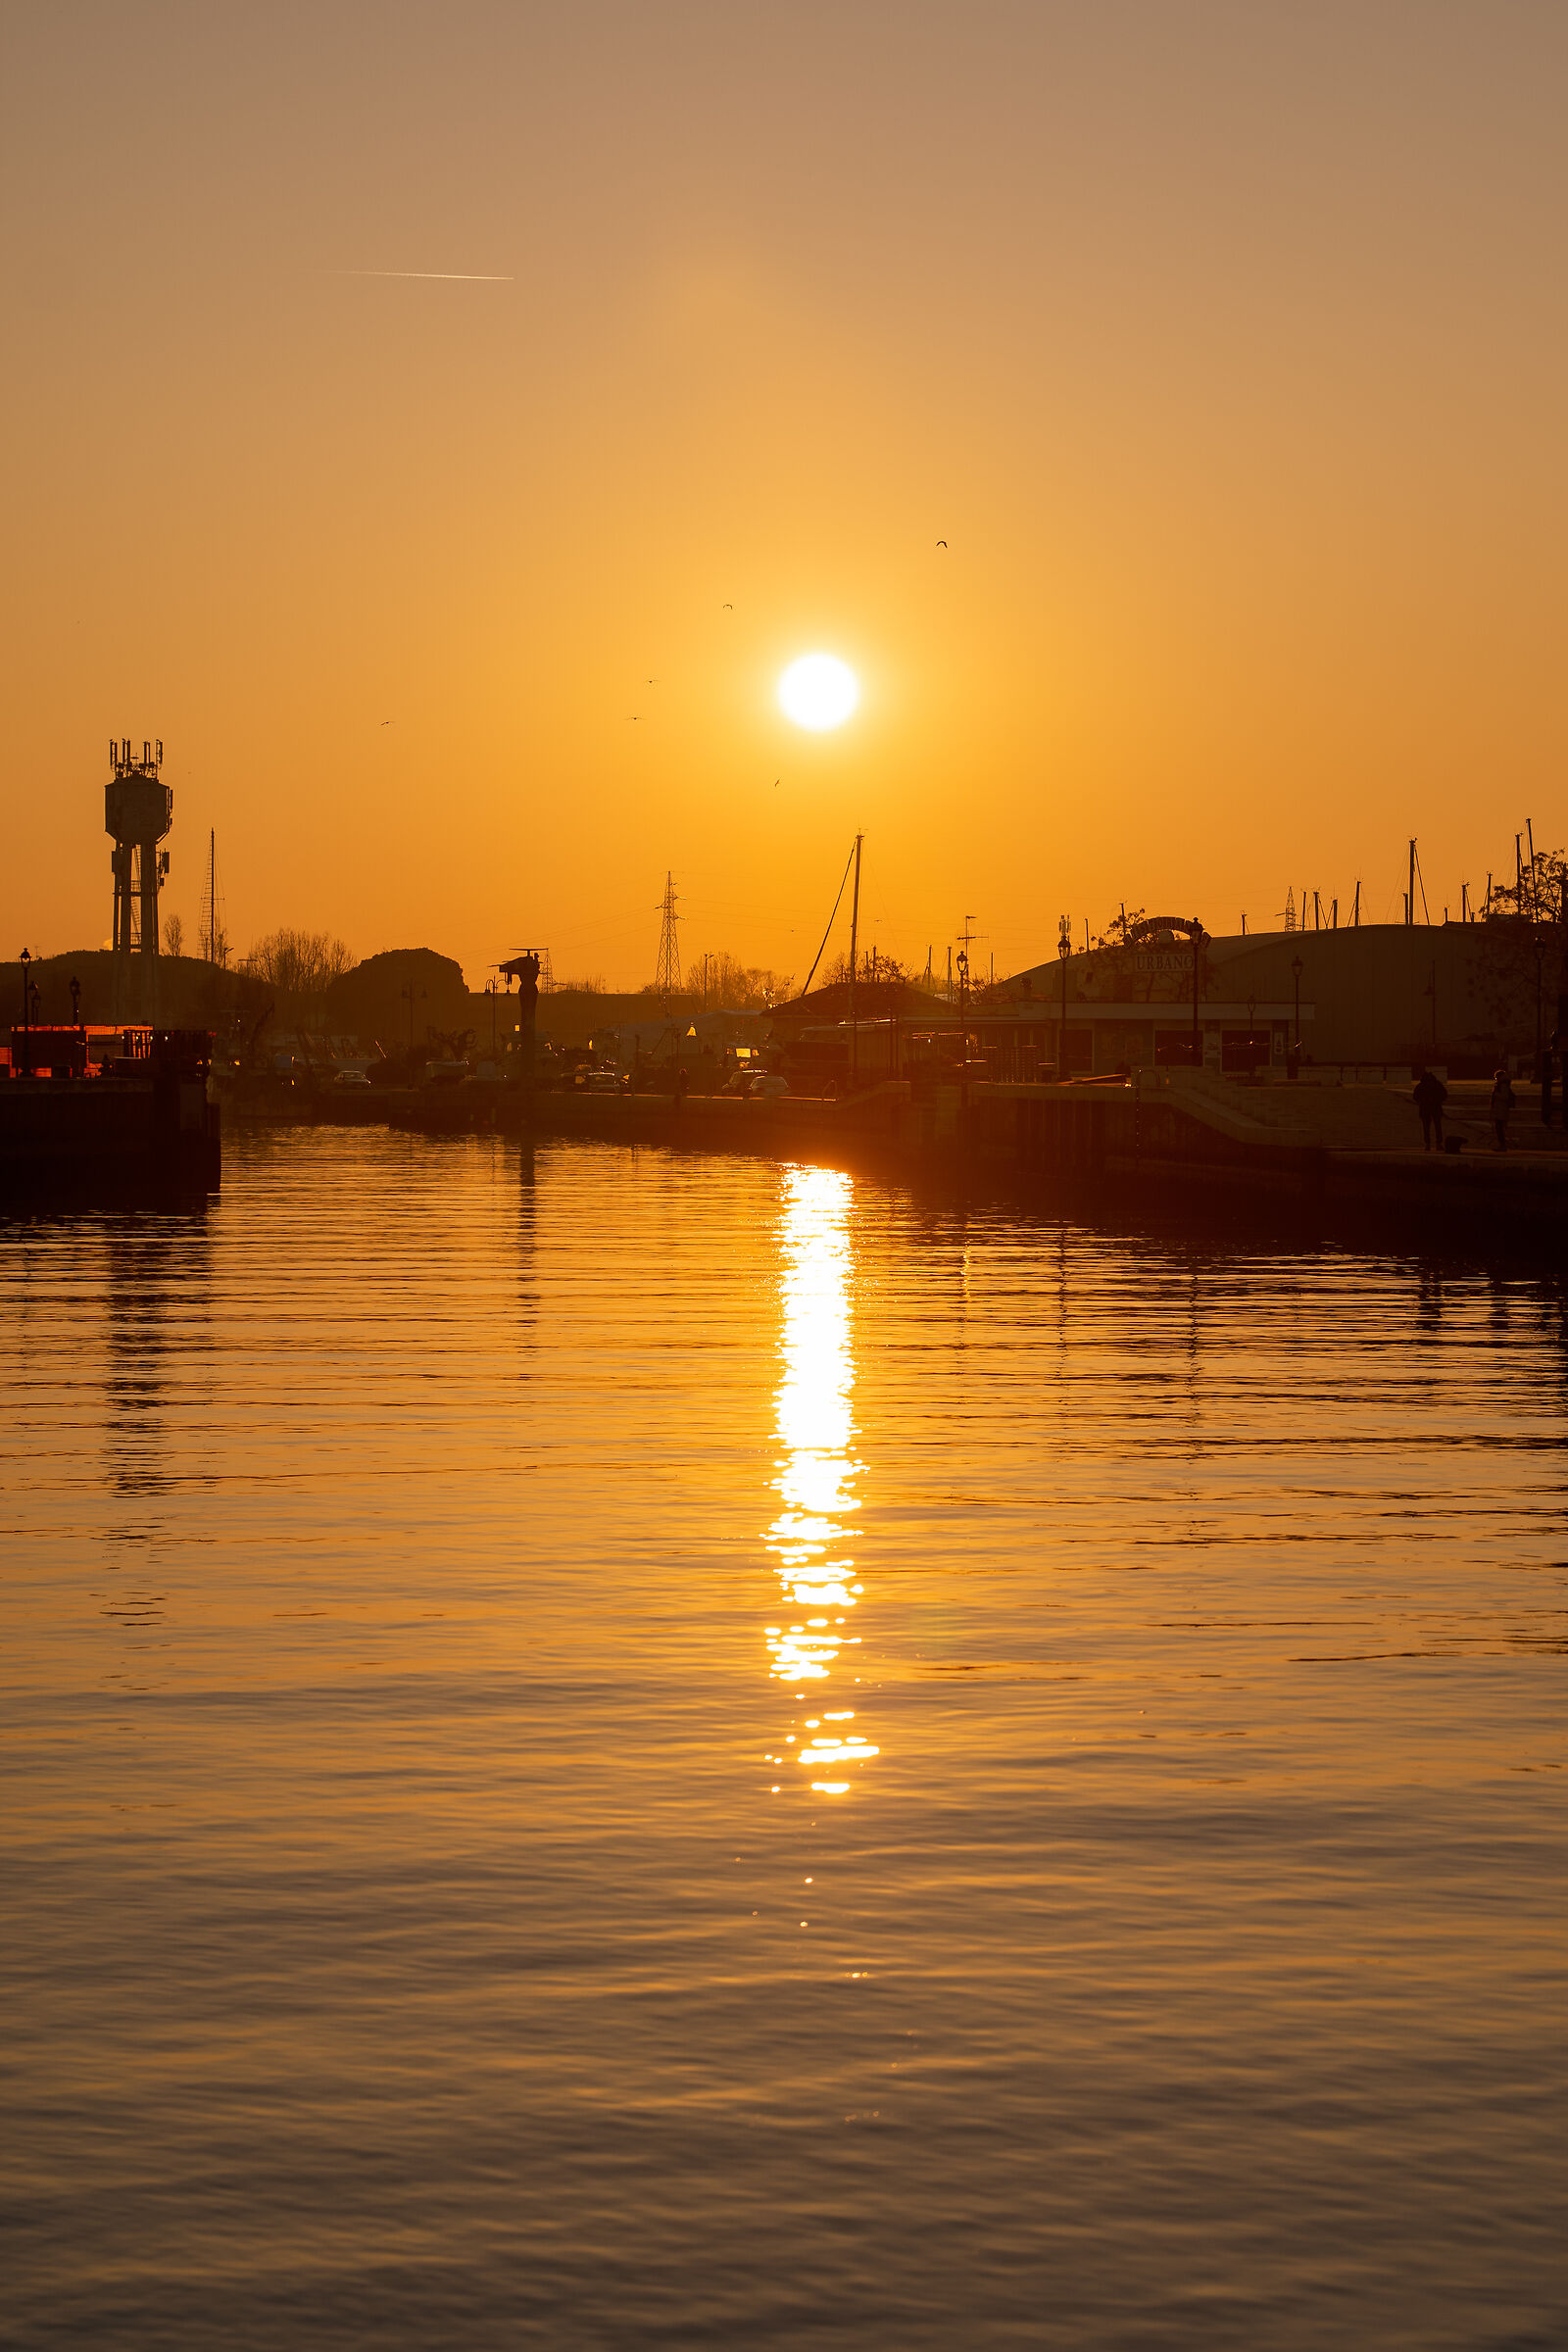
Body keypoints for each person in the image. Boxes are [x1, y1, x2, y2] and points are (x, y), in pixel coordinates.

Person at [1411, 1065, 1447, 1152]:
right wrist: (1436, 1100)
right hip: (1436, 1107)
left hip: (1425, 1108)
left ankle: (1427, 1144)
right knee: (1437, 1126)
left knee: (1426, 1127)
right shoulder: (1437, 1084)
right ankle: (1438, 1143)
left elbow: (1415, 1096)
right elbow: (1444, 1095)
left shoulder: (1421, 1085)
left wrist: (1423, 1101)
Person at [1491, 1066, 1516, 1152]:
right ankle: (1502, 1145)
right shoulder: (1503, 1084)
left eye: (1496, 1077)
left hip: (1501, 1109)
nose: (1496, 1079)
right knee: (1499, 1128)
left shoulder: (1503, 1085)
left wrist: (1496, 1095)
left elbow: (1505, 1097)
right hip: (1500, 1109)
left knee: (1499, 1128)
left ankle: (1502, 1145)